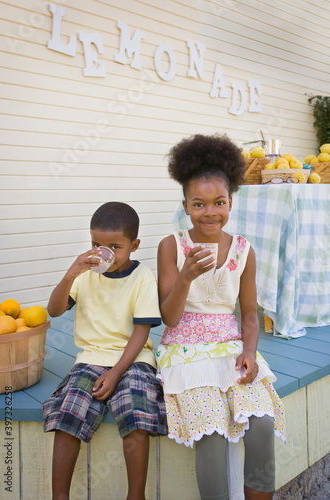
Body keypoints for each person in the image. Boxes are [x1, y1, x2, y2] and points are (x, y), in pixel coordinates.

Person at [156, 134, 286, 500]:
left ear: (231, 202)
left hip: (230, 345)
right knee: (211, 433)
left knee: (261, 425)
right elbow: (169, 316)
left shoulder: (244, 250)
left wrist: (249, 351)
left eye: (219, 202)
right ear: (185, 205)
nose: (209, 212)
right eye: (198, 204)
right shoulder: (171, 245)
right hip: (184, 348)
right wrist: (186, 276)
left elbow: (248, 314)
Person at [43, 201, 167, 500]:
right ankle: (60, 496)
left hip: (134, 359)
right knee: (68, 413)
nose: (105, 253)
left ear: (134, 245)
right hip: (91, 359)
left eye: (115, 246)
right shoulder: (86, 274)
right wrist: (70, 274)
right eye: (96, 244)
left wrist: (114, 374)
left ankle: (135, 495)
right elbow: (54, 310)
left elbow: (141, 332)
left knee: (136, 412)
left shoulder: (143, 278)